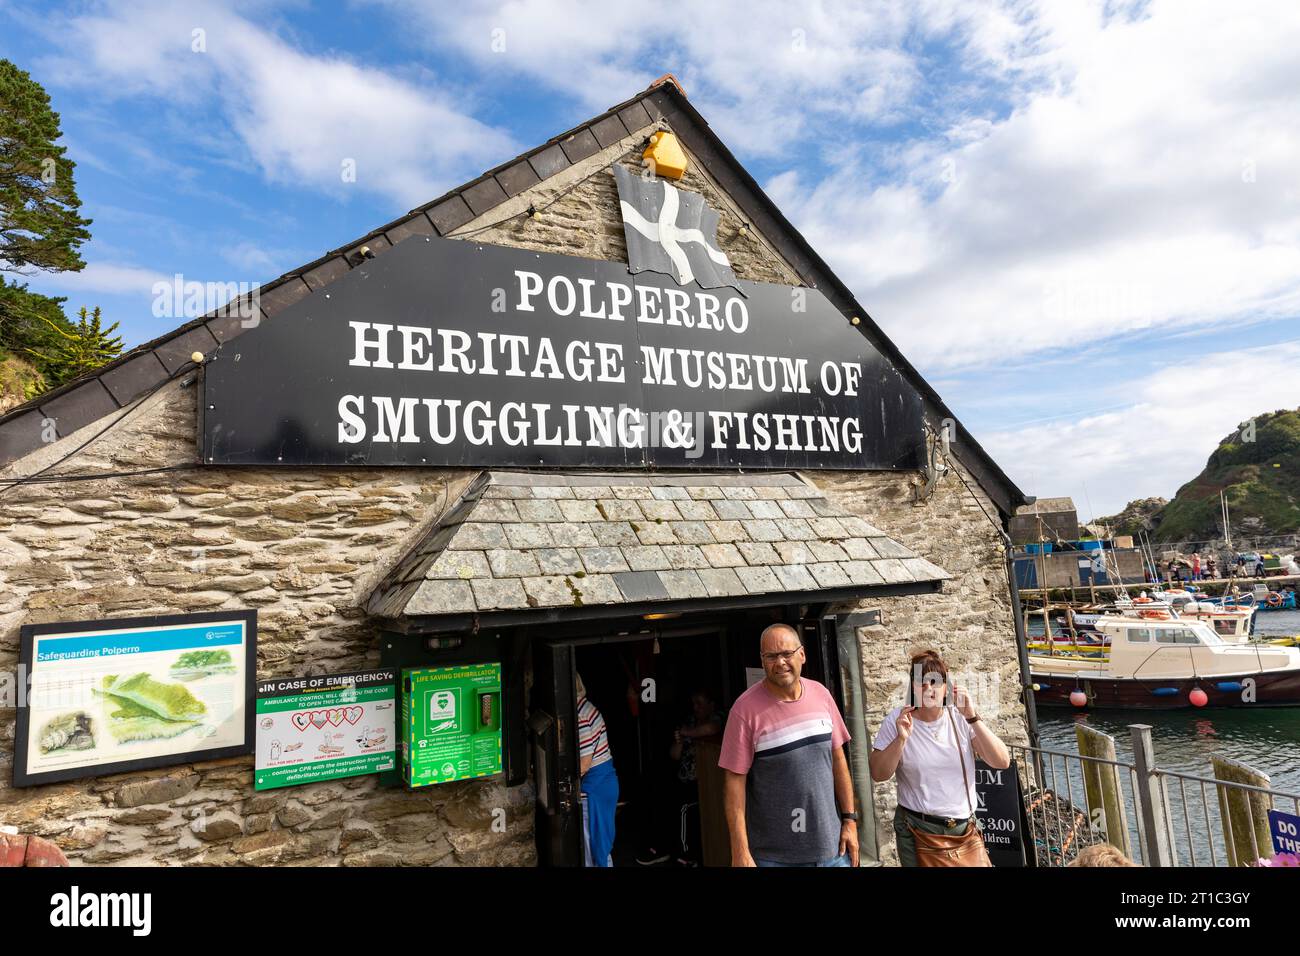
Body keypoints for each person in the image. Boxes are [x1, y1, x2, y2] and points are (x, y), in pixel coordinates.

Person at [719, 623, 858, 867]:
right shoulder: (744, 711)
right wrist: (739, 851)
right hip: (775, 857)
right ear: (762, 661)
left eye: (786, 654)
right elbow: (733, 784)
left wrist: (850, 820)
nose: (780, 662)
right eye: (771, 656)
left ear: (802, 655)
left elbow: (838, 760)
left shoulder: (821, 695)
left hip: (833, 850)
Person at [869, 649, 1012, 867]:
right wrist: (900, 739)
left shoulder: (959, 716)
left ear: (946, 686)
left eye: (934, 681)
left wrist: (973, 717)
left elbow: (1002, 761)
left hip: (963, 830)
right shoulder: (897, 719)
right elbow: (879, 774)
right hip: (918, 829)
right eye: (921, 682)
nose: (928, 688)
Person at [639, 689, 724, 866]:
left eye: (700, 703)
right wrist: (679, 741)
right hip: (683, 779)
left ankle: (686, 854)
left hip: (705, 783)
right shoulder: (690, 721)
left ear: (711, 705)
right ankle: (663, 848)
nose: (696, 707)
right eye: (694, 704)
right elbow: (675, 755)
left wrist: (687, 733)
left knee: (682, 806)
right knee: (659, 796)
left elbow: (711, 729)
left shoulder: (718, 717)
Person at [576, 672, 618, 867]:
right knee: (600, 847)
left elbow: (584, 763)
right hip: (603, 784)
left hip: (595, 787)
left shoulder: (580, 715)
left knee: (594, 850)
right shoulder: (587, 708)